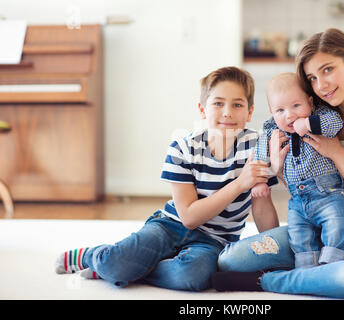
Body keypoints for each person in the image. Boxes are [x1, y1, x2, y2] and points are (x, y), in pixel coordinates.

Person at [212, 28, 344, 298]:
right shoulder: (314, 116)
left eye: (328, 69)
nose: (321, 85)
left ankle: (269, 281)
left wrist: (336, 152)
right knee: (231, 260)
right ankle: (313, 273)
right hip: (314, 234)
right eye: (312, 77)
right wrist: (277, 169)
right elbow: (304, 184)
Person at [54, 66, 278, 291]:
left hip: (214, 241)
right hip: (170, 226)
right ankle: (94, 257)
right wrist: (240, 183)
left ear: (249, 112)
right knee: (114, 263)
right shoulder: (183, 148)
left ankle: (132, 268)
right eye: (218, 103)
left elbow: (261, 207)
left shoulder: (257, 150)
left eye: (237, 104)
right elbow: (189, 217)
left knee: (192, 276)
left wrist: (274, 252)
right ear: (202, 109)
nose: (227, 112)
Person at [251, 72, 344, 269]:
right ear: (271, 112)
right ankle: (307, 266)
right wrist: (260, 181)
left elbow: (335, 123)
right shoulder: (273, 131)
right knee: (298, 234)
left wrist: (307, 124)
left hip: (328, 193)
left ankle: (333, 262)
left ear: (310, 102)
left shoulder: (319, 116)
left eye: (296, 106)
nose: (289, 115)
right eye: (280, 110)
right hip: (297, 199)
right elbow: (260, 154)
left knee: (338, 223)